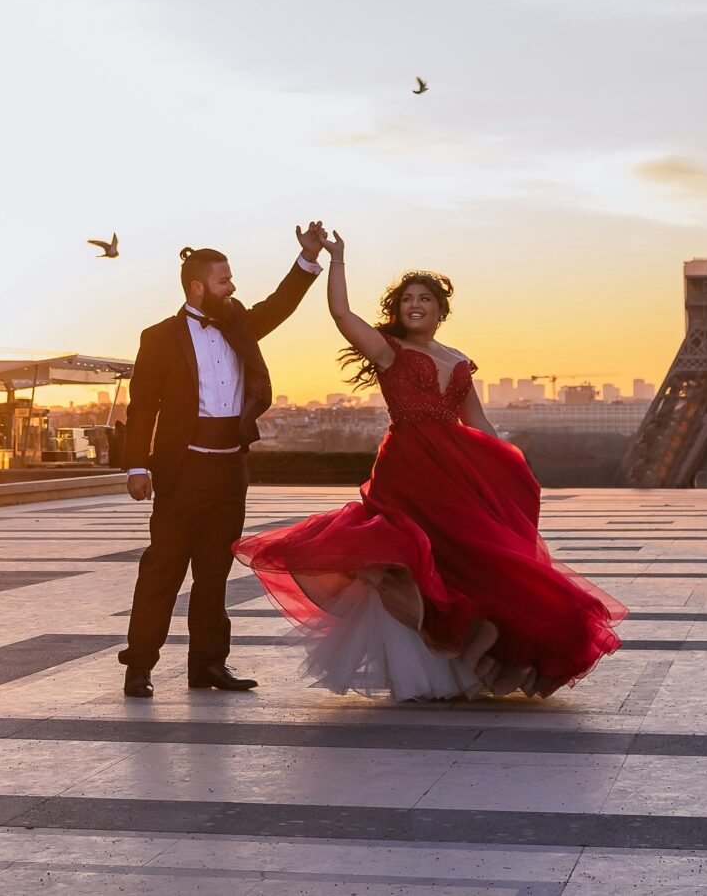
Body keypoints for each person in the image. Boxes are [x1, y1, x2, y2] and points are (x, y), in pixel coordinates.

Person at [235, 232, 624, 699]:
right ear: (398, 310)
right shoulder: (388, 350)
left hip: (456, 469)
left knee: (469, 559)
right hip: (410, 468)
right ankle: (422, 671)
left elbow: (476, 420)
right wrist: (337, 260)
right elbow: (342, 314)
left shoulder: (458, 359)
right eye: (407, 300)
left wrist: (508, 472)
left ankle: (465, 664)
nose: (414, 305)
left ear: (441, 309)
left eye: (424, 299)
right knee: (414, 556)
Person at [118, 224, 328, 699]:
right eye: (223, 281)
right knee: (162, 571)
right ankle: (139, 666)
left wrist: (307, 259)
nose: (232, 287)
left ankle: (209, 666)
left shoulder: (237, 323)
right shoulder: (157, 338)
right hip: (181, 470)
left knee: (214, 574)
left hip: (229, 470)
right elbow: (141, 408)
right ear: (197, 286)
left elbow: (279, 305)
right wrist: (136, 467)